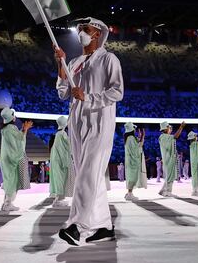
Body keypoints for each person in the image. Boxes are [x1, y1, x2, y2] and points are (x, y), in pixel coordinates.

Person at [55, 17, 124, 246]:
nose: (80, 32)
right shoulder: (74, 62)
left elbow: (117, 92)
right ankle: (104, 226)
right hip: (77, 121)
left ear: (97, 33)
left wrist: (90, 98)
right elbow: (63, 92)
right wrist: (61, 65)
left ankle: (77, 225)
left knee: (87, 173)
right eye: (79, 29)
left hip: (99, 121)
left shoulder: (108, 59)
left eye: (85, 29)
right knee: (90, 175)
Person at [0, 107, 32, 212]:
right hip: (12, 158)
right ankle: (8, 204)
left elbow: (18, 138)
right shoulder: (11, 128)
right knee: (12, 182)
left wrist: (23, 130)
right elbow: (20, 140)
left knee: (9, 181)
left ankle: (6, 203)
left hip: (6, 158)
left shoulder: (5, 129)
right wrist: (25, 129)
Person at [49, 115, 73, 208]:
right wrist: (65, 162)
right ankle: (58, 200)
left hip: (57, 160)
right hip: (61, 161)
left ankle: (58, 199)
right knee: (61, 179)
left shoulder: (57, 134)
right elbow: (64, 149)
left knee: (58, 179)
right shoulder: (62, 134)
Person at [158, 121, 186, 197]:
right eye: (169, 128)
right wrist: (181, 127)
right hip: (168, 159)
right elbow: (175, 136)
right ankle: (168, 192)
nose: (170, 129)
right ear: (165, 129)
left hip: (168, 159)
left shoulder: (164, 137)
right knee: (170, 176)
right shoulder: (164, 136)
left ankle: (163, 190)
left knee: (168, 176)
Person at [123, 122, 142, 201]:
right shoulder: (131, 138)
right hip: (132, 161)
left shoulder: (129, 138)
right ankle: (130, 194)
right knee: (132, 177)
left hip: (130, 161)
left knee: (131, 176)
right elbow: (135, 149)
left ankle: (129, 193)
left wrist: (140, 137)